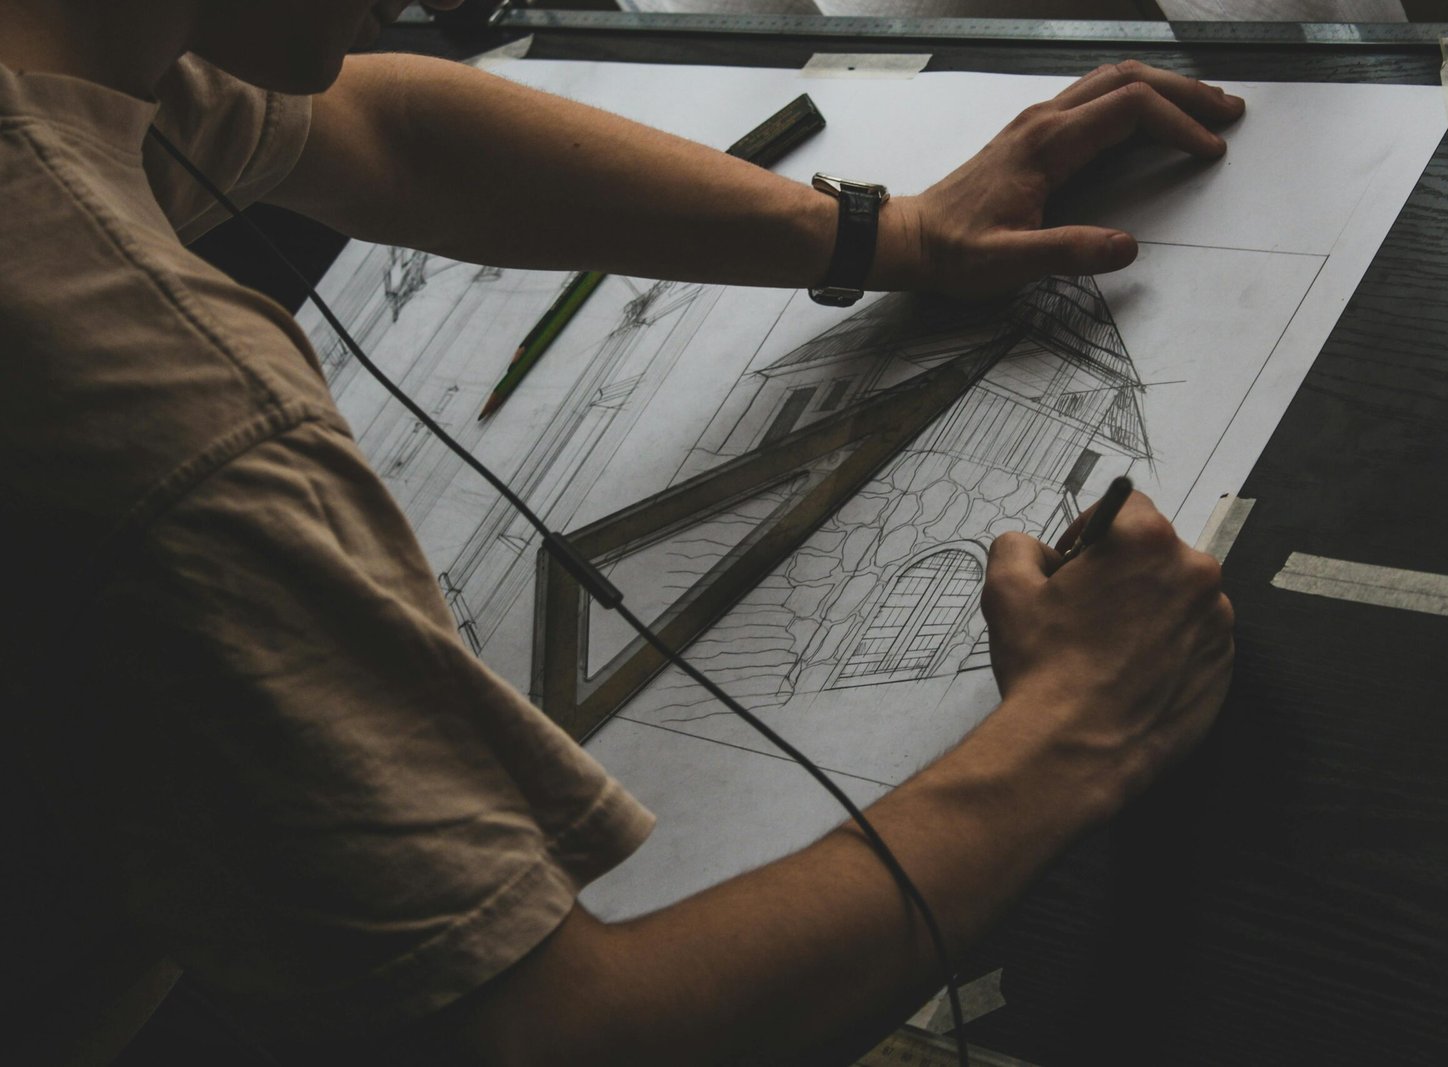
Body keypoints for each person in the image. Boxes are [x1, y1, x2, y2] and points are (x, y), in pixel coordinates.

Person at [0, 1, 1238, 1063]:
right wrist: (1077, 729)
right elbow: (553, 1037)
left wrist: (884, 233)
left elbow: (388, 129)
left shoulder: (98, 44)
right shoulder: (157, 399)